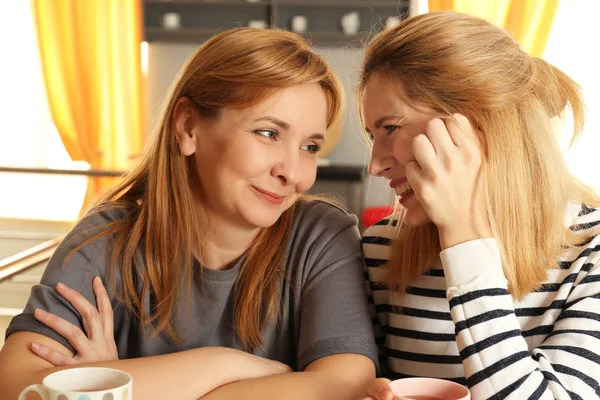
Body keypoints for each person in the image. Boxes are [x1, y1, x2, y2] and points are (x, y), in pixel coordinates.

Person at [0, 27, 378, 400]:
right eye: (267, 133)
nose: (293, 174)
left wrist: (116, 384)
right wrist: (224, 365)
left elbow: (346, 385)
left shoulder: (321, 236)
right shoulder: (106, 239)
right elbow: (18, 386)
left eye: (310, 146)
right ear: (188, 126)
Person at [358, 11, 600, 400]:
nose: (376, 165)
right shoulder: (378, 250)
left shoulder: (592, 254)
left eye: (390, 129)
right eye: (373, 135)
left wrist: (465, 240)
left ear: (477, 125)